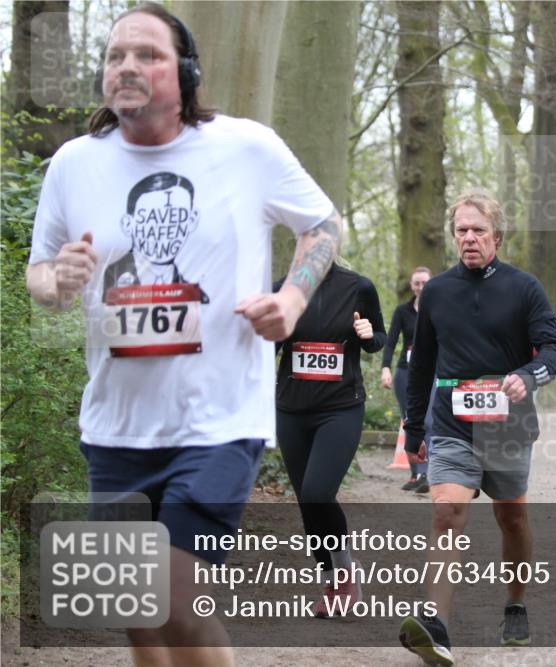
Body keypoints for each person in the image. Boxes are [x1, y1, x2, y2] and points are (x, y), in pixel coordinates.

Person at [24, 3, 341, 664]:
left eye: (148, 55)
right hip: (115, 428)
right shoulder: (74, 163)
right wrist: (58, 279)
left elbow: (322, 225)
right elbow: (41, 276)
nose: (127, 66)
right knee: (136, 616)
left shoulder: (245, 148)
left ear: (187, 72)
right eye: (115, 55)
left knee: (173, 597)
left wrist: (292, 297)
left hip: (218, 423)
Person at [397, 188, 556, 666]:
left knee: (512, 519)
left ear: (497, 235)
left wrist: (527, 376)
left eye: (478, 230)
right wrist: (414, 428)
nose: (469, 238)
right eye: (462, 231)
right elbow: (422, 364)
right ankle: (435, 623)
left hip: (508, 426)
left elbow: (553, 349)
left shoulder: (524, 288)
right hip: (452, 423)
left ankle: (515, 603)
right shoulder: (437, 292)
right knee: (446, 513)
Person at [274, 264, 385, 617]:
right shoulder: (283, 289)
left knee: (317, 493)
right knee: (307, 502)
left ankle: (345, 569)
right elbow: (265, 349)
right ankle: (331, 579)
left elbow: (378, 339)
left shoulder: (359, 286)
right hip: (291, 410)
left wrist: (368, 335)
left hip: (340, 408)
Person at [381, 266, 433, 492]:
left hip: (432, 371)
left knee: (428, 421)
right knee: (410, 419)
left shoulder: (438, 308)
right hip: (406, 372)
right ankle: (416, 474)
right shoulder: (402, 311)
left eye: (425, 283)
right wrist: (385, 368)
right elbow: (391, 341)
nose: (421, 287)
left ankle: (428, 472)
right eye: (417, 283)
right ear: (411, 285)